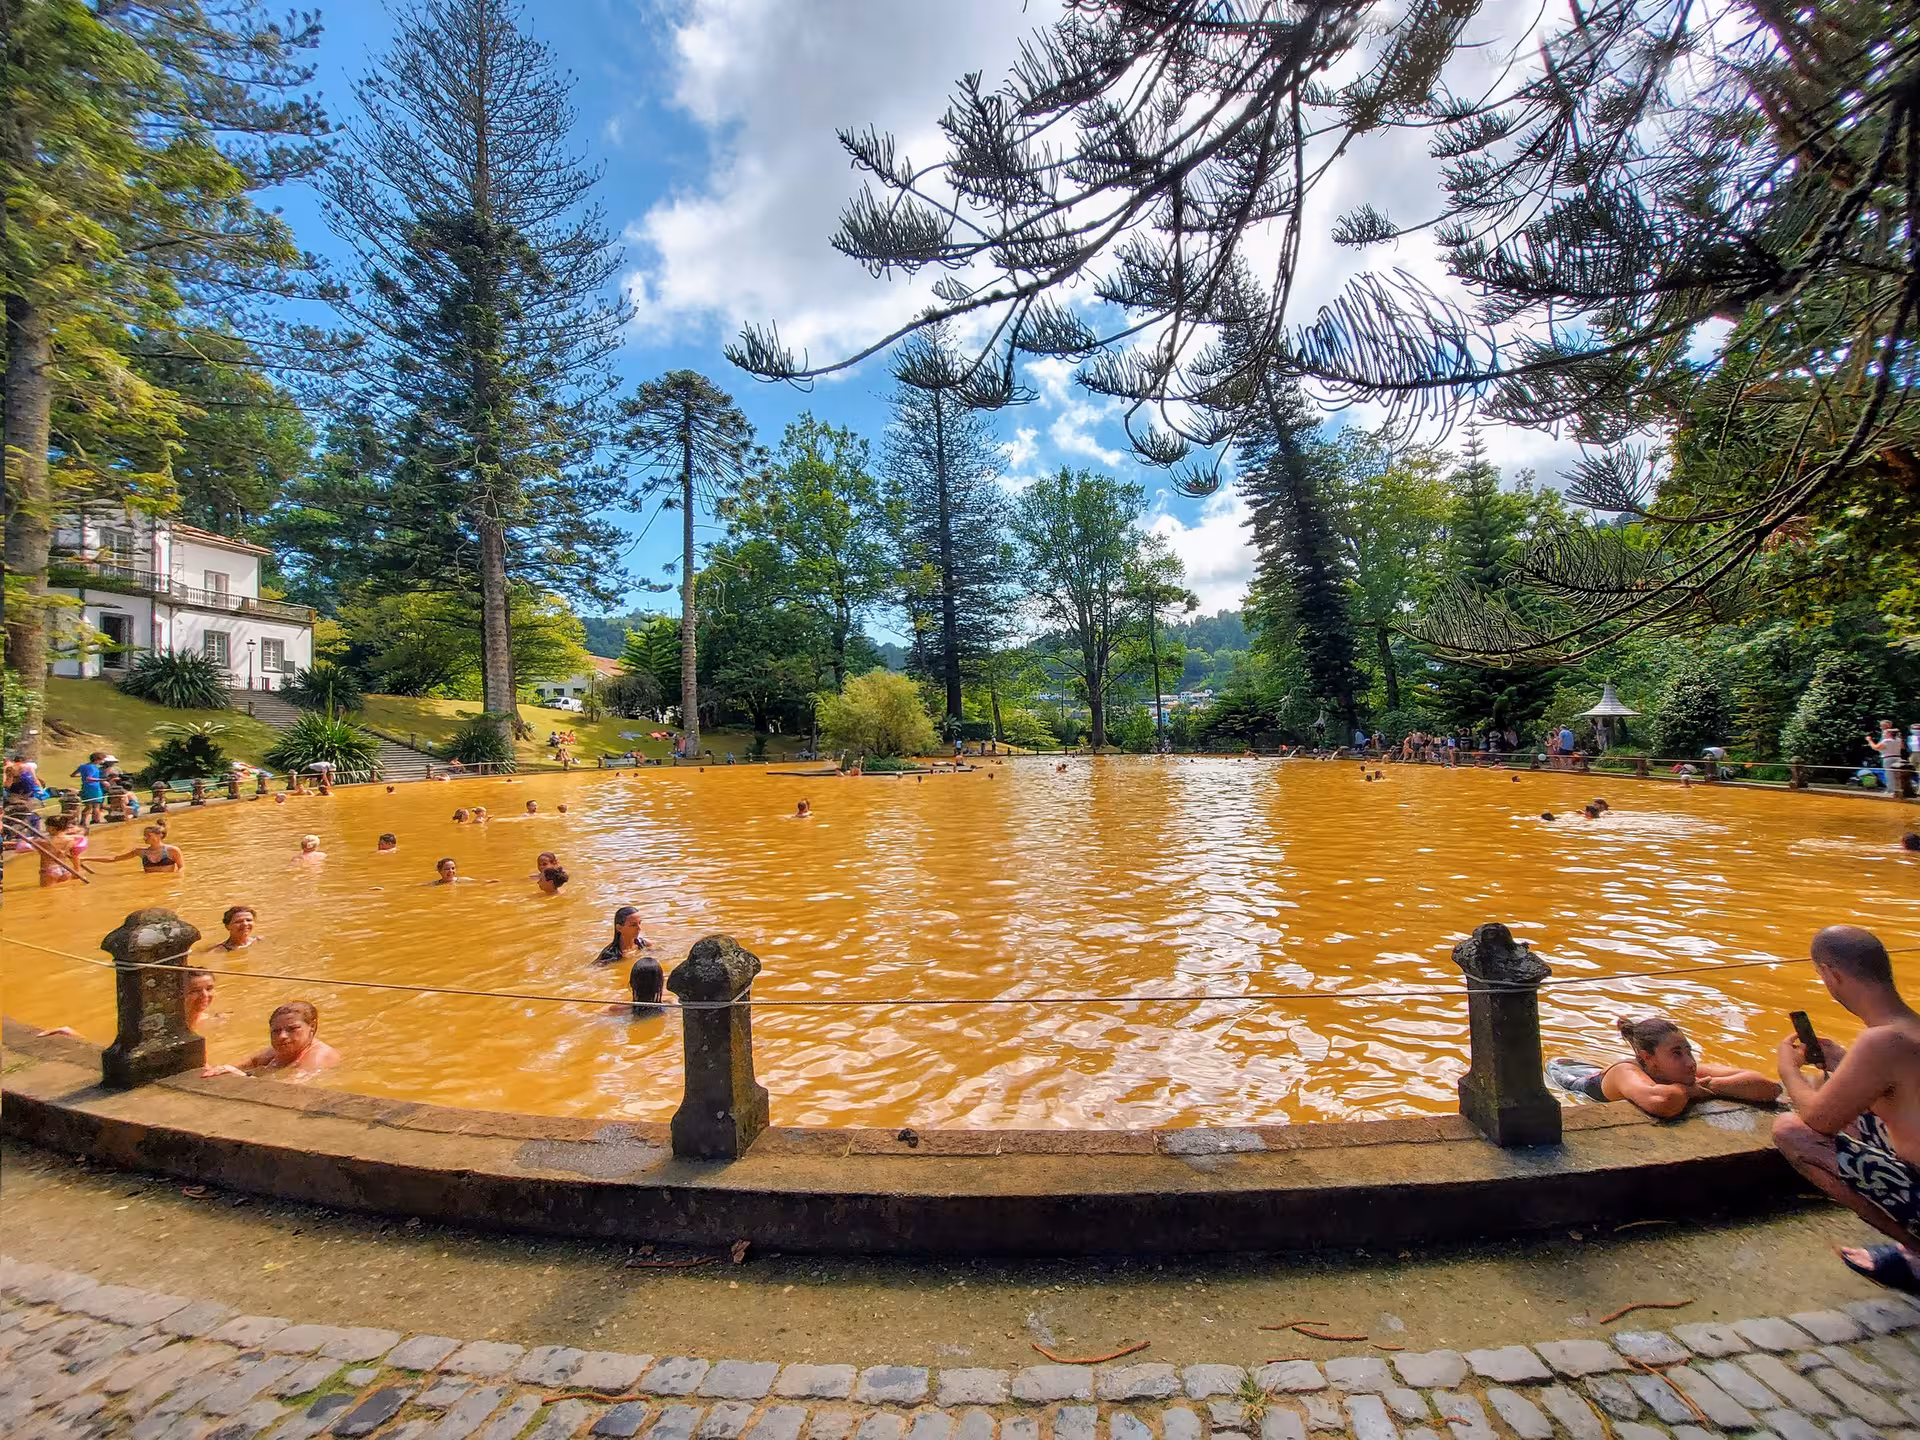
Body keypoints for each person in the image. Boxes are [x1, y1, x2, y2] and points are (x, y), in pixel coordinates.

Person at [1773, 926, 1920, 1292]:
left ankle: (1917, 1253)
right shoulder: (1908, 1027)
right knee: (1843, 1098)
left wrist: (1788, 1071)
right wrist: (1843, 1062)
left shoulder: (1881, 1041)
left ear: (1831, 975)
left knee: (1791, 1133)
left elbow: (1817, 1120)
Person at [1558, 1016, 1779, 1117]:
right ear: (1649, 1058)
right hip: (1573, 1081)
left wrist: (1712, 1085)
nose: (1690, 1062)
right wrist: (1690, 1090)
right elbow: (1663, 1102)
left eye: (1688, 1051)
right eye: (1676, 1053)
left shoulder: (1683, 1070)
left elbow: (1769, 1088)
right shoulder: (1625, 1072)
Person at [201, 1000, 341, 1080]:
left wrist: (242, 1078)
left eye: (292, 1029)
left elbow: (288, 1090)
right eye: (276, 1031)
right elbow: (242, 1064)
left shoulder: (319, 1056)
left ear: (312, 1027)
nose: (282, 1036)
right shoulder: (276, 1051)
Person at [603, 952, 668, 1017]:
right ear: (661, 983)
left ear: (631, 983)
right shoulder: (669, 1002)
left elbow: (599, 1013)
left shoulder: (616, 1008)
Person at [102, 824, 183, 876]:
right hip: (148, 885)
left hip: (167, 883)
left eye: (148, 835)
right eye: (144, 835)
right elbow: (115, 859)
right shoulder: (140, 852)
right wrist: (89, 858)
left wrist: (176, 880)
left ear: (160, 835)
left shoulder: (173, 850)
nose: (145, 838)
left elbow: (181, 868)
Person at [35, 815, 84, 885]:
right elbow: (75, 857)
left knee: (48, 894)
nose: (46, 829)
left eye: (47, 826)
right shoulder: (71, 840)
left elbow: (21, 848)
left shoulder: (43, 841)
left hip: (49, 870)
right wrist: (77, 871)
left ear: (52, 828)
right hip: (65, 870)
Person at [71, 751, 107, 825]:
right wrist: (101, 779)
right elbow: (89, 778)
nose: (102, 761)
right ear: (97, 759)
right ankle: (95, 820)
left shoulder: (82, 766)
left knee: (88, 805)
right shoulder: (93, 767)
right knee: (96, 805)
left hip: (85, 787)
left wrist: (83, 776)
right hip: (94, 788)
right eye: (102, 759)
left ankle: (83, 821)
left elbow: (73, 775)